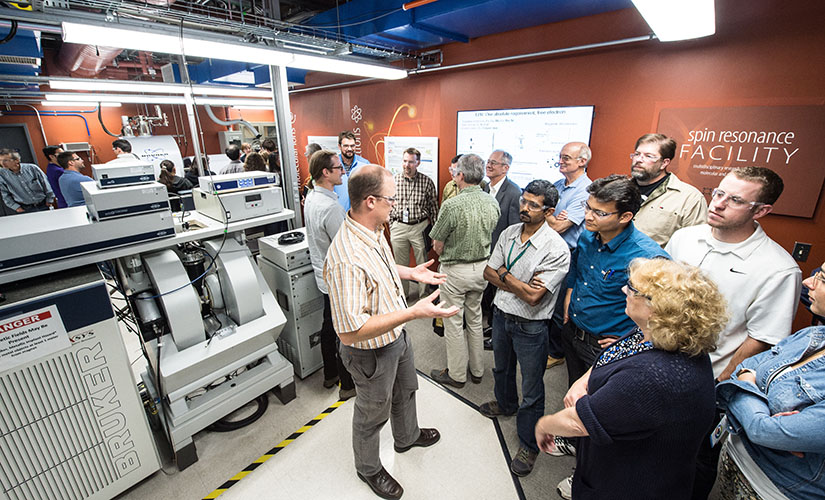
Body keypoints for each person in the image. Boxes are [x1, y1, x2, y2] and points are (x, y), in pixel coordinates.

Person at [536, 258, 726, 500]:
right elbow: (617, 353)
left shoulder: (652, 377)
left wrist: (544, 425)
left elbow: (579, 422)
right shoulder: (655, 333)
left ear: (657, 307)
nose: (624, 290)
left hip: (631, 484)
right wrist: (584, 379)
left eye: (632, 288)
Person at [323, 165, 459, 500]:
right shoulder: (345, 258)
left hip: (395, 338)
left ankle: (407, 435)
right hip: (369, 351)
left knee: (406, 391)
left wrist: (409, 272)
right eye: (390, 199)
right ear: (370, 201)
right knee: (372, 413)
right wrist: (413, 312)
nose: (394, 205)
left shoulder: (372, 230)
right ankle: (368, 468)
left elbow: (380, 266)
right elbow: (350, 332)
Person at [665, 166, 801, 499]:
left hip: (706, 385)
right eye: (719, 192)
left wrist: (715, 389)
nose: (718, 204)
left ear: (762, 210)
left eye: (735, 200)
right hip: (659, 367)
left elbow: (761, 339)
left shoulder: (778, 269)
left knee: (693, 465)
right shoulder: (685, 237)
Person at [479, 179, 571, 477]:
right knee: (501, 369)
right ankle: (506, 404)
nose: (525, 208)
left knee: (532, 387)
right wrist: (511, 279)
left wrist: (504, 273)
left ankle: (529, 443)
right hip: (502, 316)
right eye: (524, 201)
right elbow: (487, 272)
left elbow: (534, 297)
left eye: (533, 205)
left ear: (549, 211)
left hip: (531, 326)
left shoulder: (556, 248)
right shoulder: (508, 234)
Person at [715, 264, 825, 500]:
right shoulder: (811, 335)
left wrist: (747, 385)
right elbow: (745, 368)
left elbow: (761, 430)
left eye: (822, 278)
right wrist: (761, 406)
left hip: (776, 489)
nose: (808, 282)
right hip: (734, 458)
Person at [428, 153, 500, 388]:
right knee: (476, 318)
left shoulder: (452, 205)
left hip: (455, 271)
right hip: (482, 270)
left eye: (455, 172)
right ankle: (477, 371)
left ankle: (457, 375)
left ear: (460, 175)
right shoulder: (492, 201)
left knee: (453, 322)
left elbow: (437, 244)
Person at [304, 150, 355, 400]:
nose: (342, 171)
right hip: (337, 279)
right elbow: (344, 247)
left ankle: (330, 374)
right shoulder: (331, 208)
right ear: (326, 173)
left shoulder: (312, 198)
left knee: (328, 326)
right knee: (343, 332)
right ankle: (347, 385)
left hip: (321, 275)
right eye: (338, 168)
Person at [544, 142, 593, 369]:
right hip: (549, 251)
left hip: (569, 254)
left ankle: (556, 351)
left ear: (582, 161)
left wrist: (549, 214)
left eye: (566, 158)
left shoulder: (586, 191)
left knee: (557, 306)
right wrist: (552, 215)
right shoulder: (557, 185)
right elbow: (546, 216)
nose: (560, 161)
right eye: (560, 157)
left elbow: (558, 227)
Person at [630, 133, 707, 247]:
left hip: (654, 263)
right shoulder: (617, 189)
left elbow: (694, 246)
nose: (639, 160)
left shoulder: (689, 198)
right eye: (637, 154)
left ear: (664, 163)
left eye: (648, 156)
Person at [481, 150, 522, 337]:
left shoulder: (513, 192)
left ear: (505, 168)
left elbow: (514, 229)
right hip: (482, 250)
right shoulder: (484, 188)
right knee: (487, 293)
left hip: (499, 254)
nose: (488, 165)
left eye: (494, 163)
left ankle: (494, 331)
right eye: (488, 161)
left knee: (497, 294)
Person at [390, 147, 439, 299]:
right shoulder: (394, 180)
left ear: (418, 163)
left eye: (411, 162)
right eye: (405, 161)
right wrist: (392, 225)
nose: (407, 165)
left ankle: (424, 296)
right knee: (400, 264)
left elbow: (434, 209)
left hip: (420, 226)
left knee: (422, 263)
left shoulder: (427, 182)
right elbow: (387, 203)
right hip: (399, 226)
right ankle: (402, 296)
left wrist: (435, 234)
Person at [0, 149, 55, 213]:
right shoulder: (2, 175)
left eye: (5, 160)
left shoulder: (32, 168)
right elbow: (5, 194)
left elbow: (46, 184)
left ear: (16, 160)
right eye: (0, 160)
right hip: (24, 208)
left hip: (43, 204)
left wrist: (49, 200)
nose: (2, 163)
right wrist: (16, 207)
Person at [334, 131, 369, 211]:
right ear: (339, 146)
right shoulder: (332, 164)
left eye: (352, 146)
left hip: (359, 214)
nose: (349, 149)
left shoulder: (365, 164)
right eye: (346, 146)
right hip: (338, 214)